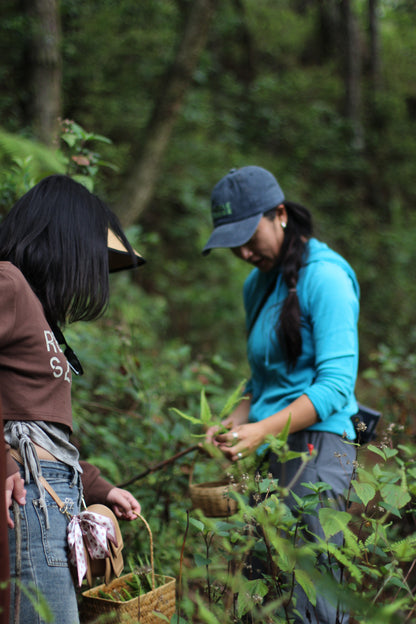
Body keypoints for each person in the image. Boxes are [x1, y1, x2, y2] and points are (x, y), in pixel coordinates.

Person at [203, 166, 359, 624]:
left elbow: (335, 387)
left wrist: (261, 429)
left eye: (249, 236)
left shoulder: (326, 278)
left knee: (311, 592)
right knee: (263, 589)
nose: (245, 252)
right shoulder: (258, 284)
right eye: (234, 244)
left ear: (281, 215)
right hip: (271, 447)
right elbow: (263, 379)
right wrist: (237, 419)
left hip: (318, 447)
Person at [0, 174, 145, 624]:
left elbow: (41, 425)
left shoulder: (37, 309)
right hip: (31, 499)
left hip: (52, 500)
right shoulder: (8, 283)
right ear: (62, 242)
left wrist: (100, 487)